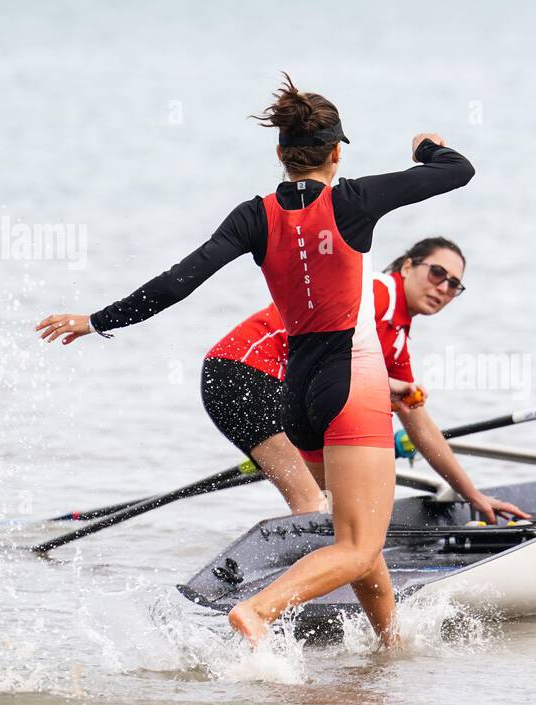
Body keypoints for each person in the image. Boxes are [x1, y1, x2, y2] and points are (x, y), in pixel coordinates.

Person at [37, 73, 474, 646]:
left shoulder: (254, 216)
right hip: (350, 384)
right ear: (337, 153)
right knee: (360, 543)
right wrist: (425, 149)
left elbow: (177, 282)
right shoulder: (354, 200)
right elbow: (457, 170)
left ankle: (391, 647)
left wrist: (97, 320)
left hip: (296, 394)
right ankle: (257, 610)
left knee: (351, 535)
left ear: (280, 153)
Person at [201, 236, 527, 522]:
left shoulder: (396, 338)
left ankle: (323, 570)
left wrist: (474, 497)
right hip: (242, 374)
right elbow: (327, 359)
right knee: (313, 501)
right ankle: (294, 587)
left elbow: (421, 428)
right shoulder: (376, 294)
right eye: (437, 273)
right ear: (408, 266)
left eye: (454, 285)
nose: (443, 287)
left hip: (274, 386)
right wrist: (383, 386)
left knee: (343, 505)